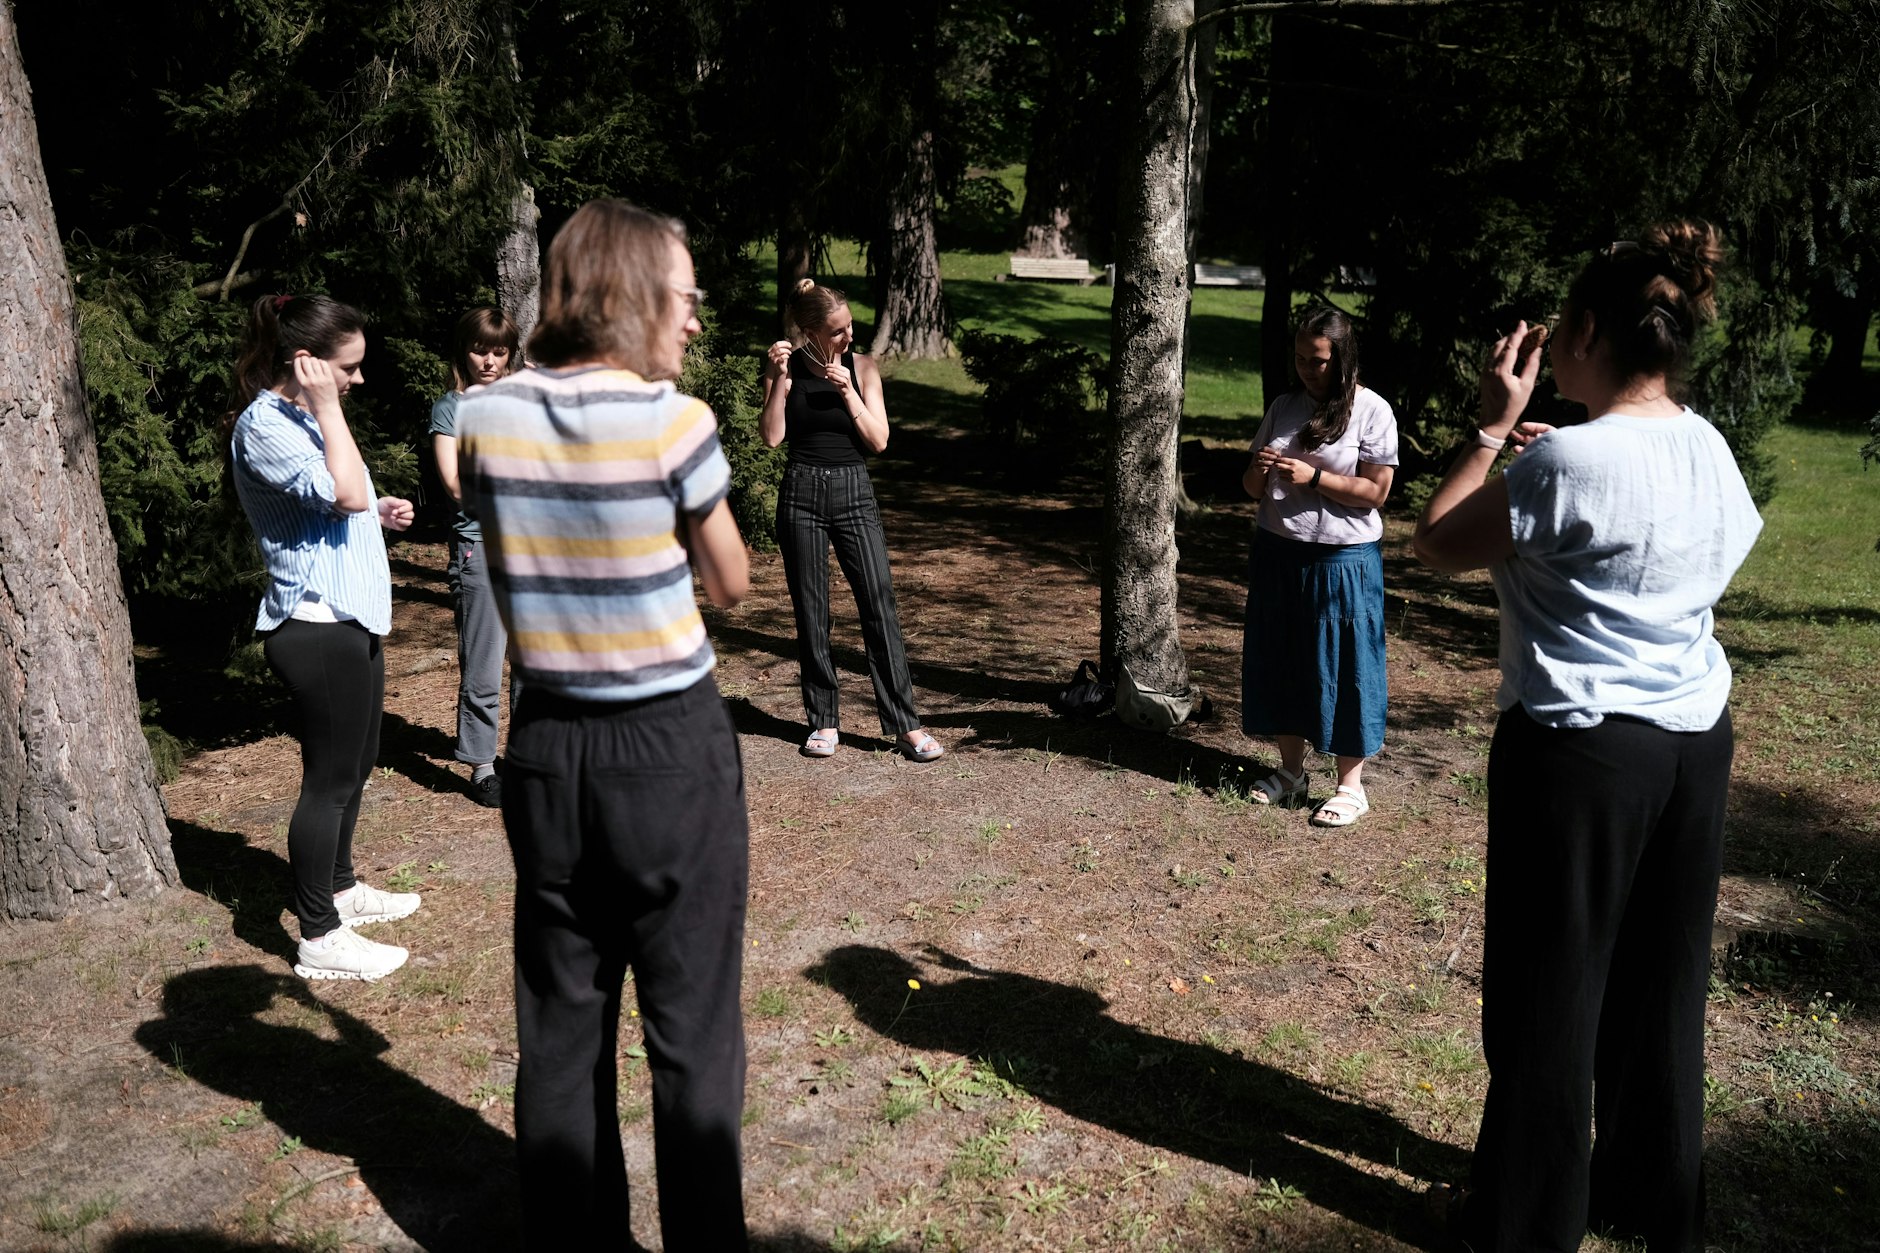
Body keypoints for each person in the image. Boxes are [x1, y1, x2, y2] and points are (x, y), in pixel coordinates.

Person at [1411, 221, 1761, 1252]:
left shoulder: (1560, 460)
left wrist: (1488, 436)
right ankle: (1651, 1205)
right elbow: (1702, 537)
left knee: (1547, 996)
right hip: (1692, 739)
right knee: (1661, 988)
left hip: (1579, 750)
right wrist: (1548, 474)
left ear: (1586, 333)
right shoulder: (1700, 442)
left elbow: (1433, 544)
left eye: (1556, 331)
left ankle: (1522, 1225)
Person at [456, 199, 753, 1249]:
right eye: (684, 296)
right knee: (692, 1029)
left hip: (543, 748)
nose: (695, 320)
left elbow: (506, 562)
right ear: (630, 294)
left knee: (561, 1023)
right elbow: (731, 584)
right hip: (666, 743)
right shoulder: (673, 420)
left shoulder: (483, 418)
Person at [224, 293, 421, 982]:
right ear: (306, 363)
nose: (357, 381)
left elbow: (347, 496)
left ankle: (340, 887)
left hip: (351, 616)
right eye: (349, 368)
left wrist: (380, 509)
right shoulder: (267, 426)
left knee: (358, 762)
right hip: (313, 624)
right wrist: (331, 413)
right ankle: (319, 935)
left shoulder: (308, 418)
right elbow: (338, 494)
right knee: (328, 782)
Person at [759, 279, 944, 762]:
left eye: (850, 326)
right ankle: (823, 721)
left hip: (853, 490)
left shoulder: (863, 367)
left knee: (878, 605)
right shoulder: (788, 369)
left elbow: (879, 441)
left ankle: (905, 724)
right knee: (811, 611)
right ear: (811, 332)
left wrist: (849, 395)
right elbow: (772, 437)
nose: (848, 337)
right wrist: (779, 380)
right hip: (800, 491)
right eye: (838, 331)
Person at [1238, 305, 1398, 827]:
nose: (1310, 369)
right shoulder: (1285, 405)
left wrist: (1315, 478)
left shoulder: (1373, 411)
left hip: (1341, 561)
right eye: (1303, 359)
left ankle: (1350, 785)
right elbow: (1249, 489)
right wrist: (1259, 471)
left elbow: (1375, 493)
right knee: (1283, 658)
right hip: (1280, 552)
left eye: (1321, 361)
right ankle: (1290, 773)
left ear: (1344, 359)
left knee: (1347, 664)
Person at [429, 306, 522, 807]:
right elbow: (454, 483)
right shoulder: (451, 409)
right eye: (480, 350)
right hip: (480, 547)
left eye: (499, 351)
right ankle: (483, 765)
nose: (489, 361)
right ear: (464, 351)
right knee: (485, 664)